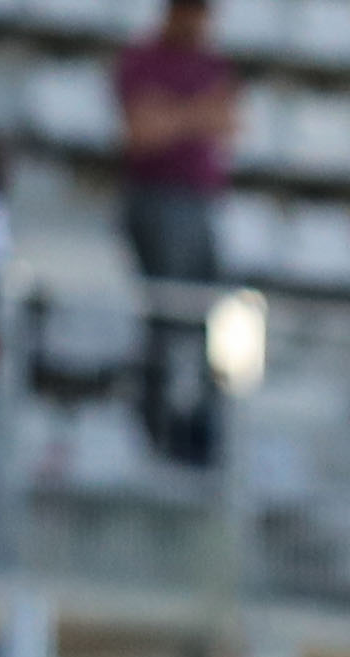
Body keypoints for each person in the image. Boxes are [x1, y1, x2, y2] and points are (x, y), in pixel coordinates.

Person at [109, 0, 239, 457]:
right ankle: (155, 426)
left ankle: (202, 427)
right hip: (158, 202)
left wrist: (175, 115)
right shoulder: (141, 58)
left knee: (211, 317)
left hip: (201, 204)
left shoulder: (211, 62)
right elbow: (142, 133)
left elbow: (228, 123)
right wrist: (195, 115)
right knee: (168, 318)